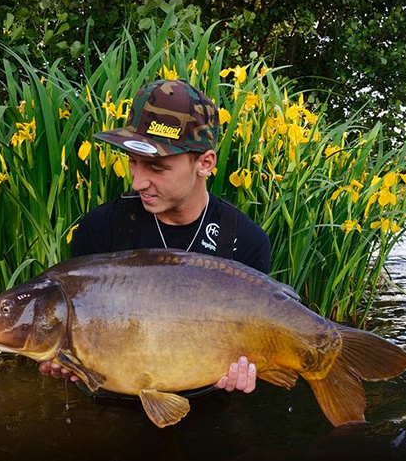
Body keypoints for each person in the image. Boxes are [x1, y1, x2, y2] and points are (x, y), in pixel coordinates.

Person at [39, 79, 271, 395]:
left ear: (205, 163)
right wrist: (64, 358)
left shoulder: (245, 240)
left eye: (156, 168)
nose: (138, 182)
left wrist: (251, 369)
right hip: (112, 403)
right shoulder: (100, 228)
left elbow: (258, 338)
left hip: (208, 403)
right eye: (133, 162)